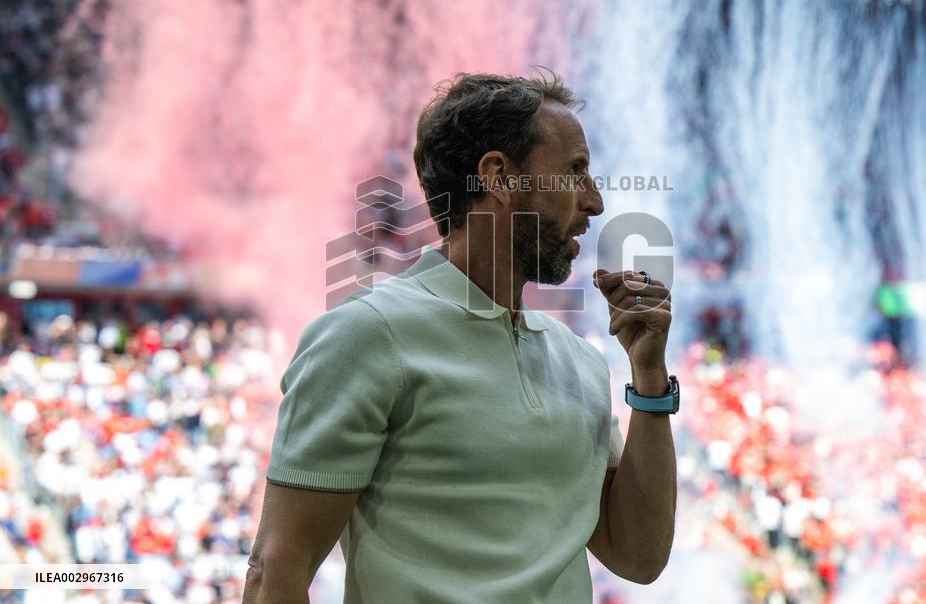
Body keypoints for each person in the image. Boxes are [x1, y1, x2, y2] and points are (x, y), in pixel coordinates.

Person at [243, 72, 678, 603]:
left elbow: (639, 556)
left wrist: (650, 382)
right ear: (498, 175)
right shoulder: (368, 334)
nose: (594, 202)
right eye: (576, 172)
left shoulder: (580, 363)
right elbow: (277, 570)